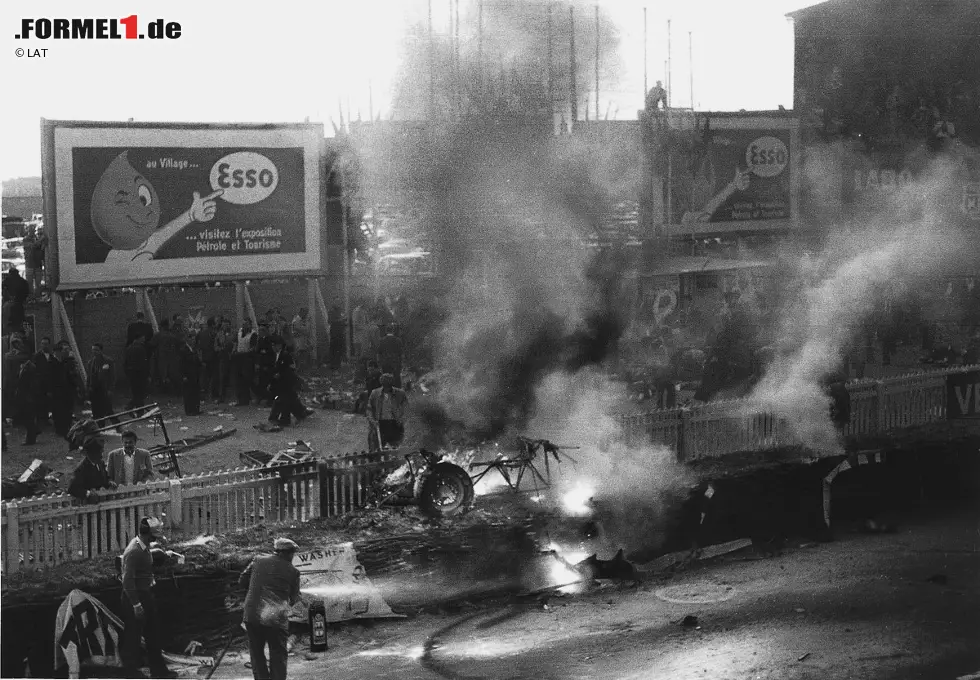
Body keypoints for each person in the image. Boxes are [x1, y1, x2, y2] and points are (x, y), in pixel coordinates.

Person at [120, 517, 177, 679]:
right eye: (155, 536)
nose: (156, 539)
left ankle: (159, 671)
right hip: (135, 596)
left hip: (145, 593)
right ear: (148, 535)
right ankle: (130, 673)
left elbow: (145, 560)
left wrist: (164, 555)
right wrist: (136, 605)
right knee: (133, 636)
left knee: (153, 634)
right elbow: (127, 580)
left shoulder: (143, 547)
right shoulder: (134, 551)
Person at [239, 537, 301, 680]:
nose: (292, 557)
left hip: (252, 615)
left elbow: (242, 581)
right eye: (292, 553)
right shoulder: (293, 572)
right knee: (278, 654)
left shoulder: (257, 560)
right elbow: (294, 598)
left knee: (256, 653)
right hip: (275, 619)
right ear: (285, 553)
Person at [268, 336, 308, 427]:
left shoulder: (285, 355)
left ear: (279, 346)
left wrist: (280, 374)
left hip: (287, 381)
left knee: (284, 400)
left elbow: (290, 369)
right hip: (281, 382)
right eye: (272, 345)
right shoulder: (275, 355)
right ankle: (299, 413)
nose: (273, 347)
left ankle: (285, 419)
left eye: (274, 345)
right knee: (288, 399)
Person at [367, 373, 408, 451]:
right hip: (380, 423)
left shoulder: (400, 393)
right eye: (384, 382)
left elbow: (406, 408)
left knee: (397, 448)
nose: (386, 385)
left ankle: (398, 461)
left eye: (388, 382)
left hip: (395, 424)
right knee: (377, 449)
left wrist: (402, 420)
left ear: (392, 382)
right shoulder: (375, 393)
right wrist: (372, 421)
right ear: (381, 382)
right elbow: (369, 410)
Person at [50, 341, 80, 438]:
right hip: (57, 391)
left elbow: (72, 376)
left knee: (67, 409)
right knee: (58, 410)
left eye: (67, 350)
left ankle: (65, 427)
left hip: (67, 390)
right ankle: (60, 429)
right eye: (64, 350)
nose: (66, 352)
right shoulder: (53, 362)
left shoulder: (67, 362)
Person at [13, 347, 40, 445]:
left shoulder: (31, 367)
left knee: (28, 418)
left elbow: (33, 384)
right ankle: (34, 432)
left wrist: (31, 396)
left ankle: (31, 439)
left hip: (28, 397)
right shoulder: (22, 366)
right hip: (22, 396)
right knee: (26, 418)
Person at [85, 343, 117, 421]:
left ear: (101, 351)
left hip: (104, 388)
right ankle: (99, 426)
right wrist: (88, 388)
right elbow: (89, 377)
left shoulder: (108, 361)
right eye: (93, 350)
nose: (94, 352)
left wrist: (110, 389)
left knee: (108, 408)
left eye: (96, 350)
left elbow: (112, 376)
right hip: (94, 389)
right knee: (95, 409)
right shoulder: (91, 362)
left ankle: (117, 425)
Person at [233, 319, 258, 406]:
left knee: (247, 379)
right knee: (239, 379)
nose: (244, 326)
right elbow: (236, 342)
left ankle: (250, 398)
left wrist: (245, 353)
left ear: (250, 325)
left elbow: (253, 348)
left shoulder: (253, 334)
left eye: (246, 325)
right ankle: (241, 400)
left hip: (247, 358)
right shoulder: (239, 332)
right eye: (243, 324)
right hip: (238, 357)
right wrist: (234, 350)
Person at [33, 336, 56, 429]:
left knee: (48, 402)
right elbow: (34, 369)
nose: (44, 345)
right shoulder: (36, 356)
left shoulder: (51, 356)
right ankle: (39, 421)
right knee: (39, 402)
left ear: (49, 345)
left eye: (46, 344)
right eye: (42, 343)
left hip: (49, 383)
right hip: (40, 383)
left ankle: (46, 420)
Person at [179, 331, 202, 416]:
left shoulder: (194, 349)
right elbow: (181, 364)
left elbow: (197, 361)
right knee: (188, 393)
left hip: (195, 374)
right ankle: (189, 410)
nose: (193, 341)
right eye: (191, 339)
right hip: (188, 374)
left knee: (195, 392)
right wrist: (183, 375)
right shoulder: (183, 350)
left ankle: (196, 409)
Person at [125, 335, 150, 409]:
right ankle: (136, 408)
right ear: (139, 338)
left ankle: (132, 406)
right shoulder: (141, 348)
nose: (144, 340)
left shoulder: (129, 348)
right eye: (143, 338)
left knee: (136, 392)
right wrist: (147, 374)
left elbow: (125, 362)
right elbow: (143, 363)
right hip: (140, 373)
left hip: (131, 373)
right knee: (141, 393)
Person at [23, 226, 47, 301]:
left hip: (37, 264)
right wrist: (41, 239)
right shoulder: (26, 239)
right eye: (31, 230)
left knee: (38, 282)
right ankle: (31, 297)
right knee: (29, 282)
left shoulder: (37, 239)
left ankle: (38, 297)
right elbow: (33, 246)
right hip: (29, 265)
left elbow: (42, 249)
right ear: (28, 231)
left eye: (33, 230)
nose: (32, 232)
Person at [213, 318, 235, 403]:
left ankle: (234, 396)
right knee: (222, 377)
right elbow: (215, 347)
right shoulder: (219, 334)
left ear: (229, 325)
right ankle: (222, 396)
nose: (225, 326)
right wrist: (220, 349)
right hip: (222, 357)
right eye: (223, 325)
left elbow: (236, 343)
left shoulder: (234, 333)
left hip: (232, 357)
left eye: (226, 325)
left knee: (233, 377)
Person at [254, 323, 275, 405]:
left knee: (267, 382)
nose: (260, 332)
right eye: (259, 330)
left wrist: (267, 364)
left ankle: (269, 400)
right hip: (261, 364)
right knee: (261, 382)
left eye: (262, 330)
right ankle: (261, 397)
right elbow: (258, 352)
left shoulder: (269, 339)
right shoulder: (260, 340)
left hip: (268, 364)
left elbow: (270, 352)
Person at [197, 317, 217, 400]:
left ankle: (202, 394)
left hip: (203, 357)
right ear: (212, 325)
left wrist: (200, 357)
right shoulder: (213, 333)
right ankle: (210, 394)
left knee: (204, 377)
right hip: (212, 357)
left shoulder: (201, 333)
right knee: (212, 376)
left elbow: (197, 345)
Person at [290, 307, 311, 373]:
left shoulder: (304, 320)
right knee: (298, 355)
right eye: (305, 313)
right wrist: (303, 330)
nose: (306, 314)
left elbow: (307, 331)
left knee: (303, 353)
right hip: (297, 340)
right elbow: (296, 328)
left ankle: (301, 368)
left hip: (303, 340)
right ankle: (296, 369)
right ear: (301, 312)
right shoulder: (296, 319)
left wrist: (303, 330)